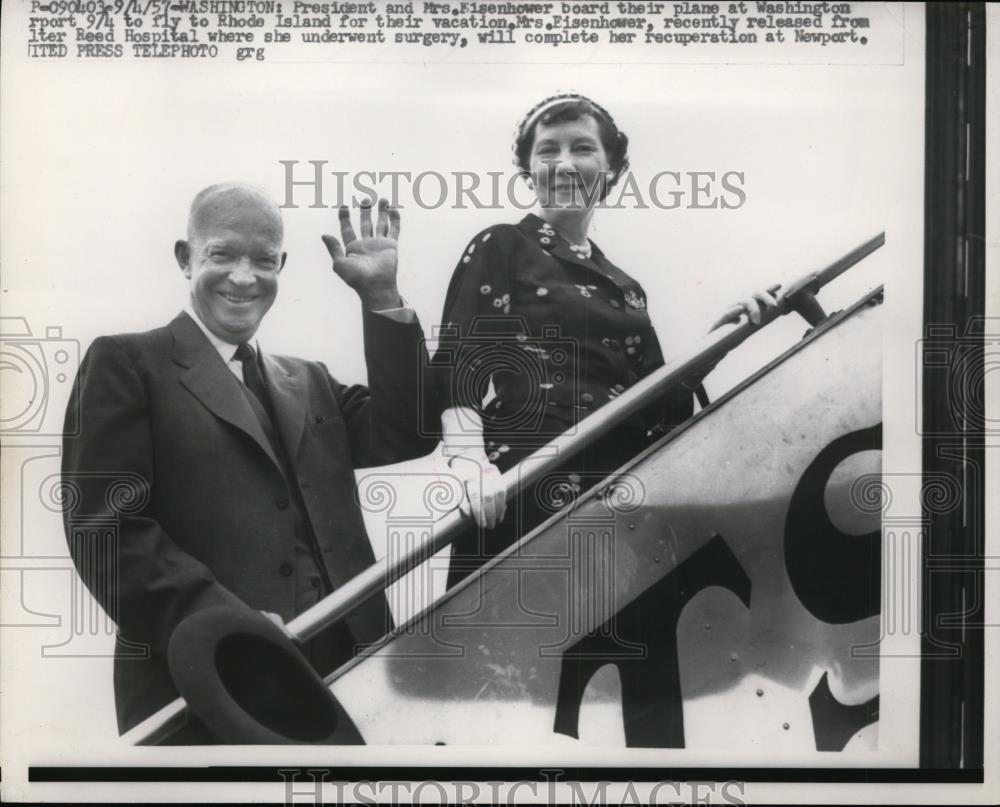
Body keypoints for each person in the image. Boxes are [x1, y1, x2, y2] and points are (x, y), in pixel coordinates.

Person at [61, 183, 434, 735]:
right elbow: (106, 531)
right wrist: (230, 626)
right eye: (222, 255)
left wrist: (381, 296)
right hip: (214, 684)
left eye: (263, 260)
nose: (243, 277)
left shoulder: (309, 379)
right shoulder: (127, 362)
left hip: (353, 677)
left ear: (281, 266)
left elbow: (408, 433)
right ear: (186, 258)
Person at [434, 93, 778, 587]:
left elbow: (656, 407)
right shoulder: (503, 245)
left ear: (612, 169)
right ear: (529, 171)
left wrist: (717, 343)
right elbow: (460, 363)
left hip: (622, 486)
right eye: (548, 151)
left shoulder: (625, 286)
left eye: (582, 148)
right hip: (528, 480)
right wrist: (471, 466)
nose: (564, 164)